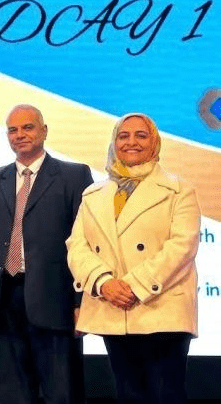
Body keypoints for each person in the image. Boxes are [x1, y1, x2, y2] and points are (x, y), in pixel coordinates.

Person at [66, 113, 200, 404]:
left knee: (165, 396)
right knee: (129, 395)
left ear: (155, 142)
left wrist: (134, 286)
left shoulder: (179, 190)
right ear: (114, 143)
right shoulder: (93, 194)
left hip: (162, 309)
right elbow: (77, 246)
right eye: (123, 136)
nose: (131, 142)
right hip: (113, 309)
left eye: (141, 135)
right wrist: (103, 283)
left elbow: (182, 246)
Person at [0, 104, 92, 404]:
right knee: (12, 393)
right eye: (13, 130)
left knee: (62, 392)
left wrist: (82, 302)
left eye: (28, 127)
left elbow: (86, 243)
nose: (20, 135)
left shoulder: (74, 176)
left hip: (56, 303)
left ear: (44, 131)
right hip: (5, 301)